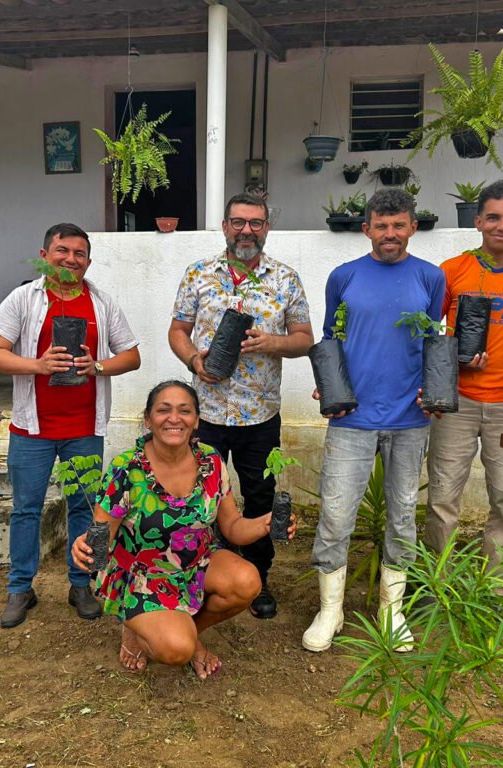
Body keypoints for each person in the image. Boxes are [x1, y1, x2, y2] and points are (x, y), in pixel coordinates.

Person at [71, 381, 295, 678]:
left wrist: (265, 524)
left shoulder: (211, 461)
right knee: (176, 649)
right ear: (148, 420)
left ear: (196, 420)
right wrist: (83, 548)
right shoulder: (126, 469)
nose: (174, 418)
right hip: (142, 576)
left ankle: (188, 632)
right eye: (164, 410)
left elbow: (231, 526)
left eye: (184, 411)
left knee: (247, 582)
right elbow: (102, 537)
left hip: (195, 563)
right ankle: (140, 628)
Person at [303, 188, 445, 653]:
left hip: (411, 417)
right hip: (352, 417)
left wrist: (435, 390)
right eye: (381, 226)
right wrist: (329, 385)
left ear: (413, 228)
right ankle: (330, 610)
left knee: (403, 514)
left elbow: (434, 342)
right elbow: (329, 340)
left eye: (398, 225)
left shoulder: (430, 277)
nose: (390, 234)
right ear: (366, 229)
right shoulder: (343, 277)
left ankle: (392, 610)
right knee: (336, 514)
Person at [0, 223, 141, 629]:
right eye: (63, 250)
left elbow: (132, 356)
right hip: (31, 428)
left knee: (85, 508)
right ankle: (21, 588)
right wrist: (37, 365)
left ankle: (81, 583)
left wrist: (99, 366)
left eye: (80, 253)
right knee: (26, 510)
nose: (71, 259)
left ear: (88, 260)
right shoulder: (23, 299)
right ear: (45, 253)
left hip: (85, 427)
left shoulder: (102, 302)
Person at [168, 192, 312, 619]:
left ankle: (256, 578)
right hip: (206, 412)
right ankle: (196, 575)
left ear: (267, 227)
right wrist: (194, 359)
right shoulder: (199, 274)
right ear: (225, 226)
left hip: (259, 415)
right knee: (199, 497)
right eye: (238, 222)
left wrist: (273, 342)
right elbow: (178, 330)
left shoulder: (285, 279)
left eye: (255, 222)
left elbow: (304, 338)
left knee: (259, 496)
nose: (246, 230)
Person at [423, 180, 503, 576]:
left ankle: (498, 589)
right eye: (494, 217)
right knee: (443, 498)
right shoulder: (453, 270)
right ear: (478, 221)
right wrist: (454, 364)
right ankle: (437, 586)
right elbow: (428, 333)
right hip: (455, 405)